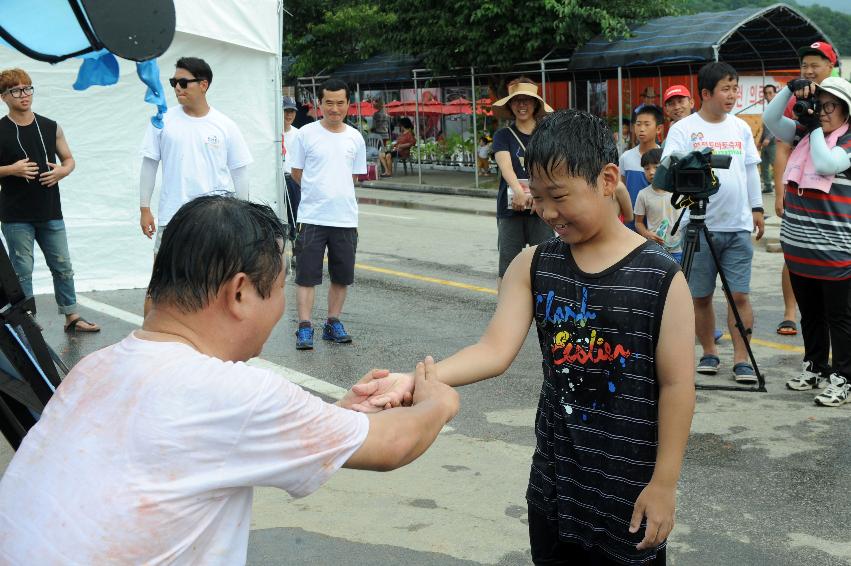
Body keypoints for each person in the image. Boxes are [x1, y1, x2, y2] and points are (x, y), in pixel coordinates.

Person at [0, 195, 460, 563]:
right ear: (240, 292)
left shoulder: (96, 368)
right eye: (279, 290)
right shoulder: (234, 395)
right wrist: (437, 399)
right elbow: (393, 446)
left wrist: (331, 418)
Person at [354, 110, 696, 565]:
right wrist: (415, 379)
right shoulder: (534, 265)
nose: (548, 212)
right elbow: (493, 350)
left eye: (559, 196)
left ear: (607, 179)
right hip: (554, 485)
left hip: (628, 491)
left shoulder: (660, 277)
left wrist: (664, 484)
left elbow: (677, 386)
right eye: (538, 197)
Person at [662, 62, 764, 384]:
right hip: (699, 224)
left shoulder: (741, 128)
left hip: (737, 225)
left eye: (735, 88)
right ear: (705, 94)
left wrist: (757, 207)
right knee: (701, 296)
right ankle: (709, 351)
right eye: (726, 89)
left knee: (740, 296)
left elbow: (750, 171)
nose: (733, 95)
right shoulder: (683, 129)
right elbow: (669, 171)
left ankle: (742, 359)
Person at [763, 76, 851, 407]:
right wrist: (789, 88)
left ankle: (844, 379)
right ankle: (815, 366)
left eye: (831, 106)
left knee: (840, 318)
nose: (823, 112)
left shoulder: (846, 142)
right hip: (799, 249)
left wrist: (813, 126)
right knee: (810, 315)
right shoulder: (804, 135)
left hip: (835, 251)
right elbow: (771, 120)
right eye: (820, 104)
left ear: (846, 111)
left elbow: (827, 164)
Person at [0, 68, 99, 333]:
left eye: (28, 88)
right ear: (4, 97)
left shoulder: (50, 126)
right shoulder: (0, 129)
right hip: (15, 215)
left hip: (50, 211)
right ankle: (27, 321)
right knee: (22, 271)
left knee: (63, 266)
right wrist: (11, 170)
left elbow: (69, 159)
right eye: (16, 90)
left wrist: (63, 171)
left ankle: (72, 316)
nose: (24, 95)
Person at [139, 57, 252, 254]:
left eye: (183, 83)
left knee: (212, 280)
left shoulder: (225, 125)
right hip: (172, 218)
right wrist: (144, 209)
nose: (177, 88)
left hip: (215, 221)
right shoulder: (162, 121)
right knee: (165, 281)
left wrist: (241, 215)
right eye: (174, 83)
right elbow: (149, 165)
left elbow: (240, 171)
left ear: (203, 85)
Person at [288, 78, 366, 350]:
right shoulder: (305, 134)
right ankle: (305, 327)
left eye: (340, 103)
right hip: (311, 217)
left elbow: (354, 176)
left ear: (348, 104)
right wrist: (317, 192)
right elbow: (296, 173)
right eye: (329, 103)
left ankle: (333, 323)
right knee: (306, 275)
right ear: (319, 104)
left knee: (342, 276)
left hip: (344, 218)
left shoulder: (355, 137)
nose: (335, 108)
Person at [773, 43, 837, 338]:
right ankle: (790, 312)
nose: (809, 71)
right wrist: (779, 193)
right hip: (801, 195)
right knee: (795, 255)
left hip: (835, 204)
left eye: (816, 65)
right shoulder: (797, 99)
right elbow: (783, 146)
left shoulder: (843, 97)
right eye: (804, 66)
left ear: (831, 65)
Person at [491, 77, 554, 288]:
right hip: (510, 209)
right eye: (517, 100)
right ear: (510, 104)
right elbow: (505, 166)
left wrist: (538, 197)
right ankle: (506, 313)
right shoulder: (503, 135)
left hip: (542, 208)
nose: (522, 105)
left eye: (527, 100)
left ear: (536, 104)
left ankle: (545, 311)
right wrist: (518, 191)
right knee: (508, 266)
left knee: (544, 263)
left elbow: (551, 169)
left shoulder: (547, 135)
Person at [635, 148, 683, 263]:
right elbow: (638, 222)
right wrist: (647, 234)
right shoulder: (643, 195)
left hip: (680, 249)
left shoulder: (680, 192)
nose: (651, 172)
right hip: (656, 250)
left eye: (656, 167)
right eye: (647, 169)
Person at [619, 105, 663, 228]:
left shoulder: (665, 157)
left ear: (658, 129)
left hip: (657, 225)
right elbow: (620, 189)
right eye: (638, 124)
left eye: (647, 124)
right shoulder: (625, 157)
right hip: (631, 224)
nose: (641, 129)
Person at [282, 95, 300, 244]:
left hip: (292, 179)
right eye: (286, 111)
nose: (289, 115)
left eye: (292, 112)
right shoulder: (272, 133)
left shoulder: (299, 134)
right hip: (276, 179)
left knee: (295, 217)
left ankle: (296, 251)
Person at [759, 84, 778, 195]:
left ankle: (781, 186)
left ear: (775, 94)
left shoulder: (778, 107)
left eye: (770, 93)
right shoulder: (767, 109)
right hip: (765, 142)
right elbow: (765, 127)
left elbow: (776, 125)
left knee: (776, 165)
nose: (768, 95)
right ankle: (767, 186)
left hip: (774, 142)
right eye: (766, 93)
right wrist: (760, 141)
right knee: (763, 165)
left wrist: (768, 138)